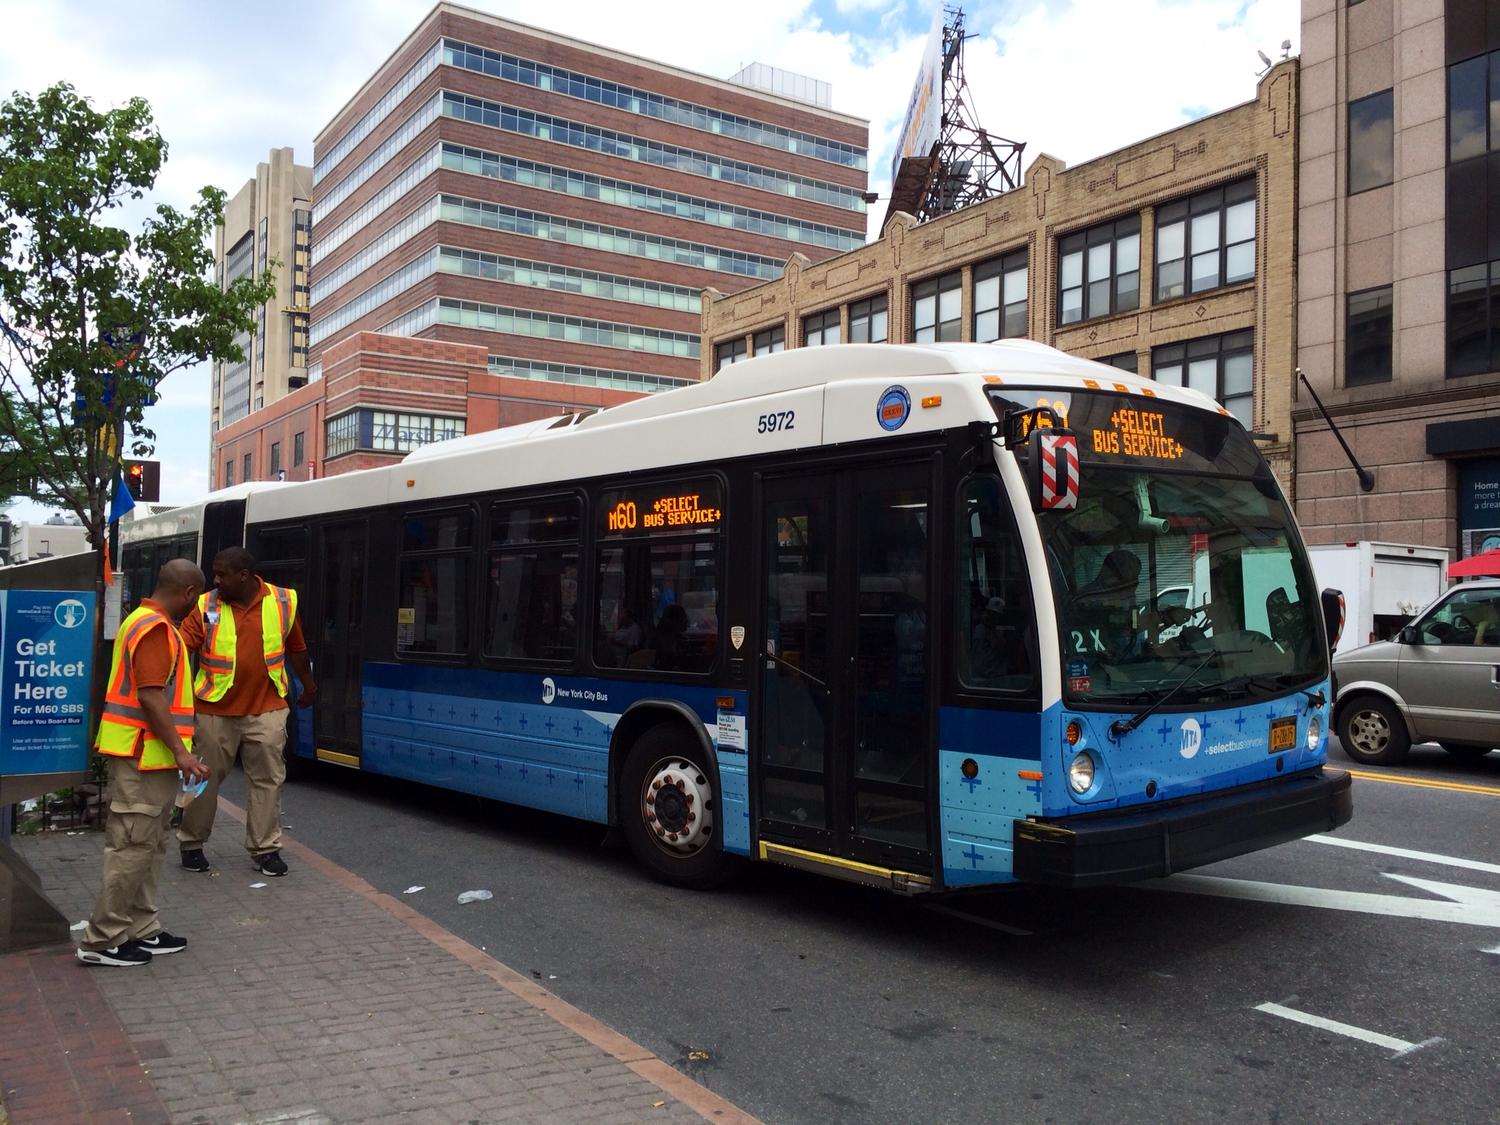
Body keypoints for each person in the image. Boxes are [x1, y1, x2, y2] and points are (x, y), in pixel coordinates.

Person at [77, 560, 212, 967]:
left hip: (148, 758)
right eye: (197, 599)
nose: (196, 608)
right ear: (187, 592)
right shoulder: (155, 629)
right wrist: (183, 753)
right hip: (143, 755)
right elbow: (152, 695)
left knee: (148, 845)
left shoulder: (144, 621)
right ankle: (103, 939)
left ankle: (141, 928)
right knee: (132, 847)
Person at [176, 547, 316, 877]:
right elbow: (181, 648)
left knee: (268, 780)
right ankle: (192, 843)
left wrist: (308, 686)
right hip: (214, 709)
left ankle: (265, 849)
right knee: (204, 779)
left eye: (222, 574)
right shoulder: (206, 604)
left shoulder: (282, 601)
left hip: (267, 707)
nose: (216, 580)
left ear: (244, 576)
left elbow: (297, 648)